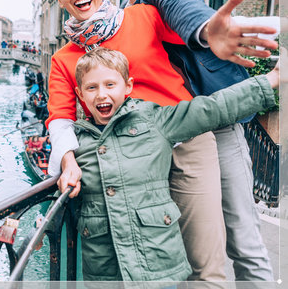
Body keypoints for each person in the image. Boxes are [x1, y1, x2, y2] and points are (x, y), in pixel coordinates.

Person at [47, 0, 278, 281]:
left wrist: (211, 30)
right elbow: (60, 118)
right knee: (154, 265)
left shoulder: (142, 16)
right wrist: (67, 160)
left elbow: (192, 30)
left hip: (185, 140)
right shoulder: (63, 58)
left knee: (205, 263)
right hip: (129, 160)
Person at [109, 0, 277, 280]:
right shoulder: (122, 21)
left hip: (217, 124)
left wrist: (206, 29)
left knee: (243, 238)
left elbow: (181, 7)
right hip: (167, 137)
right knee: (187, 245)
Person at [72, 48, 279, 281]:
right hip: (104, 274)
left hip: (158, 267)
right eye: (92, 87)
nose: (101, 94)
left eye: (110, 85)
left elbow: (213, 108)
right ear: (80, 93)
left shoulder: (154, 120)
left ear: (128, 86)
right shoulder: (75, 143)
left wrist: (271, 79)